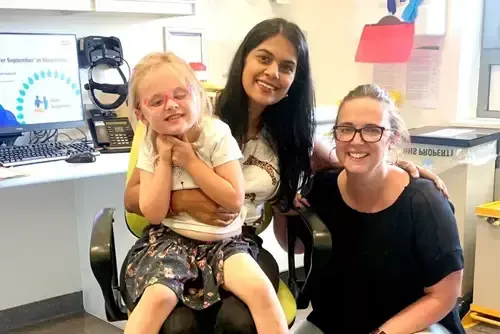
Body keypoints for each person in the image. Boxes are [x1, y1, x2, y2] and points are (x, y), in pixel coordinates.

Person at [124, 18, 447, 333]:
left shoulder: (291, 136)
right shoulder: (190, 115)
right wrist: (188, 199)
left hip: (237, 244)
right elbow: (133, 198)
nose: (272, 73)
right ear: (244, 60)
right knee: (179, 324)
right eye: (263, 58)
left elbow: (349, 158)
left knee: (240, 319)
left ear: (296, 79)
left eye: (287, 67)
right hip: (174, 240)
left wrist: (397, 168)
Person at [122, 52, 288, 334]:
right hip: (171, 242)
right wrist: (164, 159)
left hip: (226, 243)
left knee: (259, 289)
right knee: (157, 298)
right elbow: (153, 212)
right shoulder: (150, 143)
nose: (171, 105)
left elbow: (233, 199)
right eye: (157, 101)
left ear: (197, 97)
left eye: (180, 94)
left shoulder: (217, 134)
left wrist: (189, 161)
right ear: (141, 114)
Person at [295, 84, 465, 334]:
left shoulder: (424, 202)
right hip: (337, 320)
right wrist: (282, 202)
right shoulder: (321, 188)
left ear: (393, 138)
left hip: (415, 326)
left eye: (372, 130)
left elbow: (445, 295)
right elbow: (298, 245)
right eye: (346, 129)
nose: (356, 140)